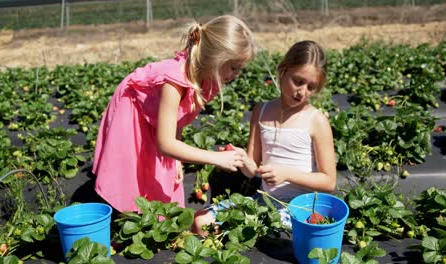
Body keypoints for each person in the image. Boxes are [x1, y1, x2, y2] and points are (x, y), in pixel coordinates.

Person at [92, 15, 254, 213]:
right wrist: (215, 158)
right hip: (133, 109)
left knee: (165, 174)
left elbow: (179, 117)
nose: (236, 75)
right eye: (234, 67)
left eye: (240, 69)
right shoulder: (174, 81)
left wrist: (176, 160)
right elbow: (165, 144)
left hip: (153, 115)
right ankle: (125, 219)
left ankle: (152, 221)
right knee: (132, 173)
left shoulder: (207, 78)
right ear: (215, 58)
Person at [192, 40, 337, 234]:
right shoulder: (262, 111)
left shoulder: (316, 120)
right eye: (298, 81)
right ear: (283, 70)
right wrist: (240, 158)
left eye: (311, 87)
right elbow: (252, 170)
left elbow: (329, 182)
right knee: (200, 221)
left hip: (299, 209)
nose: (302, 92)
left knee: (270, 238)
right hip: (263, 202)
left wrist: (286, 174)